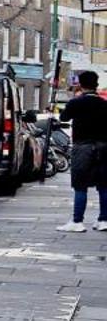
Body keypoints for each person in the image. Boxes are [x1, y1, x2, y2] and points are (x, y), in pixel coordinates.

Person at [57, 69, 107, 231]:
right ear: (96, 85)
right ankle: (103, 220)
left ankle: (77, 221)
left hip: (82, 147)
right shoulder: (104, 104)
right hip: (103, 147)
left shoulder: (76, 102)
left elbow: (63, 118)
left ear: (81, 85)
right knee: (104, 185)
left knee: (80, 185)